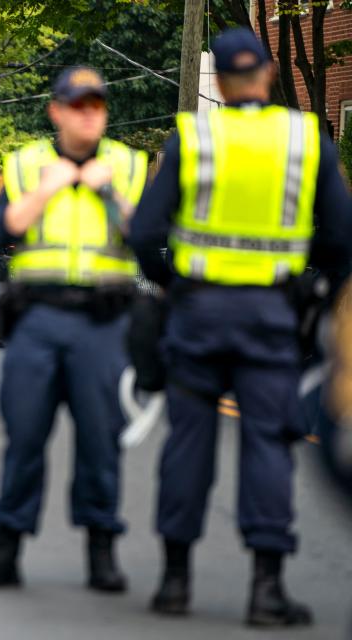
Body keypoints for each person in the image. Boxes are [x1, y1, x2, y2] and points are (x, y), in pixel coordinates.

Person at [130, 28, 352, 627]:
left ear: (221, 82)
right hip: (274, 319)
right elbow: (341, 239)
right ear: (270, 73)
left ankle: (175, 583)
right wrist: (318, 292)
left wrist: (174, 283)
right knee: (268, 447)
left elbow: (146, 234)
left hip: (199, 314)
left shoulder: (196, 137)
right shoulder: (305, 140)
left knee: (187, 444)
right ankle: (266, 589)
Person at [0, 67, 147, 593]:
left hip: (103, 322)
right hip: (38, 319)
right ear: (57, 111)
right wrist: (46, 191)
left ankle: (102, 551)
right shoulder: (26, 165)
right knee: (24, 435)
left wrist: (110, 193)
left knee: (101, 440)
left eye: (97, 105)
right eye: (77, 105)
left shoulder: (129, 166)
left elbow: (156, 238)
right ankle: (6, 548)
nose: (88, 114)